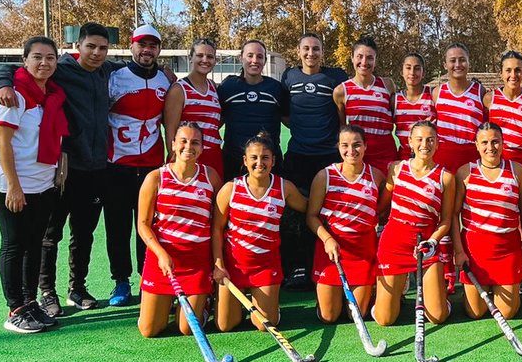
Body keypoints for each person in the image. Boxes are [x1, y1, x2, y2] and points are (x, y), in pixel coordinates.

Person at [0, 22, 118, 314]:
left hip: (96, 168)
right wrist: (3, 84)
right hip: (61, 170)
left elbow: (141, 64)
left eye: (103, 48)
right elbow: (12, 68)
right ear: (78, 47)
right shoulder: (60, 67)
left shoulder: (107, 70)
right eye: (91, 47)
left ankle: (77, 287)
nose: (97, 53)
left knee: (84, 233)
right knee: (50, 235)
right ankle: (47, 291)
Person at [0, 36, 68, 333]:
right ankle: (15, 308)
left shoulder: (52, 95)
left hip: (41, 184)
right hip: (11, 184)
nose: (44, 63)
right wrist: (13, 186)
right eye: (37, 57)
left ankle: (29, 302)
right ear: (25, 60)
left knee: (34, 245)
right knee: (14, 244)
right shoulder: (14, 95)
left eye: (50, 58)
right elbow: (2, 142)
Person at [104, 25, 171, 307]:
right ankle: (121, 280)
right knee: (117, 226)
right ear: (132, 47)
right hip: (117, 164)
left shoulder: (166, 81)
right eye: (142, 45)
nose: (147, 50)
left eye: (153, 46)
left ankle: (147, 279)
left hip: (152, 166)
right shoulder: (114, 77)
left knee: (148, 226)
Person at [212, 132, 307, 332]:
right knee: (225, 325)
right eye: (254, 158)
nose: (259, 163)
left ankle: (269, 305)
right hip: (234, 265)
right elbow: (217, 229)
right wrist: (219, 264)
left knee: (265, 325)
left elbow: (308, 208)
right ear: (245, 161)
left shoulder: (284, 188)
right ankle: (223, 301)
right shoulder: (230, 189)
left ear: (273, 160)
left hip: (265, 265)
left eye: (265, 157)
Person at [135, 123, 221, 337]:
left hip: (197, 261)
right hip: (163, 260)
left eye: (195, 142)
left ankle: (206, 299)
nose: (188, 147)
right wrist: (161, 254)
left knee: (186, 329)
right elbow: (143, 224)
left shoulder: (211, 177)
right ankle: (161, 305)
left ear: (202, 148)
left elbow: (220, 221)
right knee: (149, 330)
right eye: (183, 141)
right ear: (173, 144)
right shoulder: (156, 178)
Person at [279, 32, 348, 287]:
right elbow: (285, 114)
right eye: (306, 49)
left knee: (327, 212)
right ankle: (298, 268)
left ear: (322, 52)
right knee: (296, 211)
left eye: (316, 49)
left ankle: (330, 263)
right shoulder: (289, 77)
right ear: (298, 52)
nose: (311, 54)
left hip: (328, 157)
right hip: (298, 156)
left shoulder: (336, 77)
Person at [373, 121, 455, 326]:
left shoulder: (446, 177)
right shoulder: (397, 169)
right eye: (419, 139)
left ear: (438, 144)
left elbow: (446, 220)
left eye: (430, 140)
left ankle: (439, 296)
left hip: (426, 246)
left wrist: (433, 242)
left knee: (437, 317)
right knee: (385, 320)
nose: (424, 144)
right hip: (394, 243)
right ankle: (391, 296)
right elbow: (381, 207)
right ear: (410, 142)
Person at [306, 125, 386, 323]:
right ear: (338, 147)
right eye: (345, 145)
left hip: (363, 252)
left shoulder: (376, 176)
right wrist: (327, 239)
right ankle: (330, 297)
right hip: (333, 250)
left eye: (357, 145)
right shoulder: (324, 176)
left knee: (357, 315)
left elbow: (382, 211)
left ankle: (367, 291)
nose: (351, 151)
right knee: (329, 317)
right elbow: (311, 216)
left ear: (366, 146)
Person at [454, 123, 522, 319]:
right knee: (476, 312)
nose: (491, 147)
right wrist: (459, 251)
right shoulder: (465, 172)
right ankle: (477, 289)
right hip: (476, 249)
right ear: (477, 146)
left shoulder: (517, 170)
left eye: (495, 141)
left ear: (503, 143)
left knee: (507, 313)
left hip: (507, 248)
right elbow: (454, 215)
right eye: (485, 142)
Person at [217, 39, 289, 181]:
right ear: (241, 58)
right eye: (250, 56)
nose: (254, 60)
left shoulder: (276, 88)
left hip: (267, 162)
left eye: (260, 56)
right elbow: (217, 121)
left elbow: (289, 120)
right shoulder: (227, 87)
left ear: (265, 60)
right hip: (234, 161)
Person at [334, 36, 398, 176]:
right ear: (352, 58)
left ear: (375, 61)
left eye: (370, 58)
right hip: (358, 154)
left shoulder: (387, 85)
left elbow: (396, 118)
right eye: (360, 56)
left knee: (386, 195)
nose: (364, 62)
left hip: (386, 153)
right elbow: (343, 128)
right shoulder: (341, 91)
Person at [163, 38, 222, 174]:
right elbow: (170, 129)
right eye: (200, 55)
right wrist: (174, 156)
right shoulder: (179, 89)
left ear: (215, 61)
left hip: (214, 155)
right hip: (189, 155)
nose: (205, 60)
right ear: (191, 58)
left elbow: (214, 122)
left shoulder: (213, 87)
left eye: (210, 56)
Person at [432, 43, 487, 174]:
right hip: (443, 157)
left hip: (472, 158)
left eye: (462, 60)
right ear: (445, 65)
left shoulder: (480, 92)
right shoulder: (437, 93)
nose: (457, 64)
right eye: (452, 60)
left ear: (469, 63)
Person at [484, 50, 522, 174]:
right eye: (508, 70)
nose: (513, 75)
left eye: (518, 70)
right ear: (501, 74)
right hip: (497, 159)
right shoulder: (489, 99)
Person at [394, 52, 435, 160]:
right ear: (402, 72)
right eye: (408, 68)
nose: (412, 72)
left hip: (428, 158)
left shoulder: (433, 95)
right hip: (404, 159)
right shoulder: (395, 99)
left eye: (417, 68)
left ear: (423, 73)